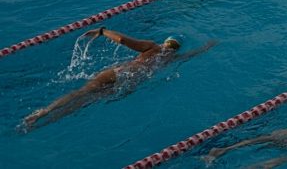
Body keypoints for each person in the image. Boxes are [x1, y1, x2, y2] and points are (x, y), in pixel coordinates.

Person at [22, 27, 209, 128]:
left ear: (166, 42)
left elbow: (122, 40)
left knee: (82, 92)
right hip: (130, 83)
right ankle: (48, 122)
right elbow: (193, 54)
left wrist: (102, 31)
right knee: (89, 101)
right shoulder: (171, 59)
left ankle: (45, 111)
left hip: (118, 72)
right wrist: (209, 45)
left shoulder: (154, 47)